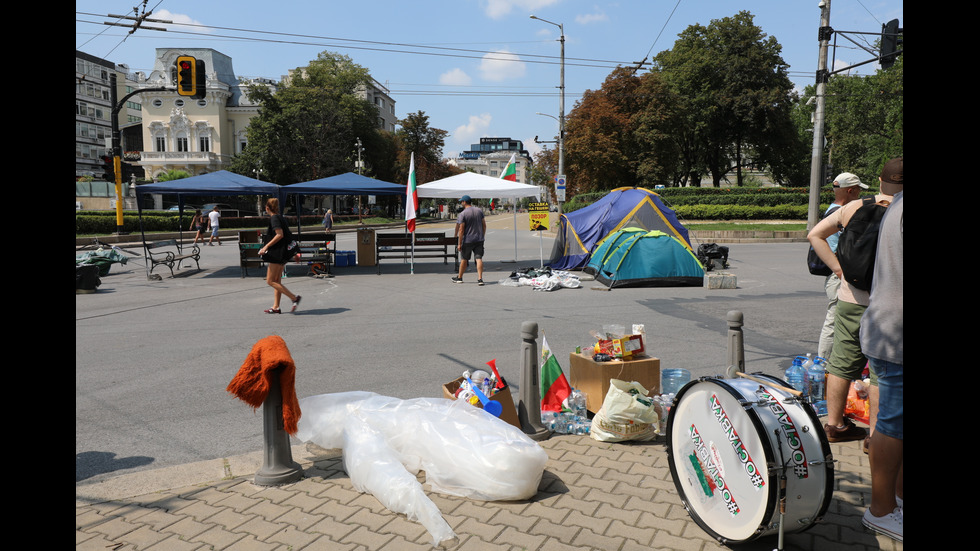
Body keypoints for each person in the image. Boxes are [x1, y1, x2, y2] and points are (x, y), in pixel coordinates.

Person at [808, 162, 901, 446]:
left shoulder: (856, 206)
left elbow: (815, 234)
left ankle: (834, 425)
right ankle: (875, 436)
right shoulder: (898, 212)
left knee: (841, 362)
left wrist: (839, 269)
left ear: (879, 179)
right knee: (878, 371)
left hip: (851, 297)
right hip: (888, 305)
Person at [859, 158, 903, 541]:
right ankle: (881, 510)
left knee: (899, 423)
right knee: (891, 423)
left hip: (888, 327)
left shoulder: (897, 205)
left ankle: (897, 501)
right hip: (895, 334)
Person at [817, 174, 867, 360]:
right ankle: (823, 364)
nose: (860, 193)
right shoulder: (842, 213)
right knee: (834, 320)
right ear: (850, 190)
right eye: (858, 189)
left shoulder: (834, 209)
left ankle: (829, 362)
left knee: (838, 320)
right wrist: (840, 272)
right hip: (839, 274)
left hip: (836, 274)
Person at [257, 198, 301, 314]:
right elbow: (288, 235)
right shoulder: (281, 217)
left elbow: (279, 235)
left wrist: (265, 247)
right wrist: (296, 251)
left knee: (270, 281)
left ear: (267, 208)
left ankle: (294, 297)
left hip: (277, 253)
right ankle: (276, 307)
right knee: (277, 281)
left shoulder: (274, 218)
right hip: (283, 253)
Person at [452, 195, 486, 285]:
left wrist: (459, 243)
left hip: (468, 240)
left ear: (464, 202)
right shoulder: (479, 211)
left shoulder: (463, 214)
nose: (461, 203)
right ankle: (480, 279)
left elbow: (461, 229)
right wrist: (482, 235)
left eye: (461, 201)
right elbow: (484, 225)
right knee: (479, 258)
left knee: (464, 259)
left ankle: (459, 278)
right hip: (479, 239)